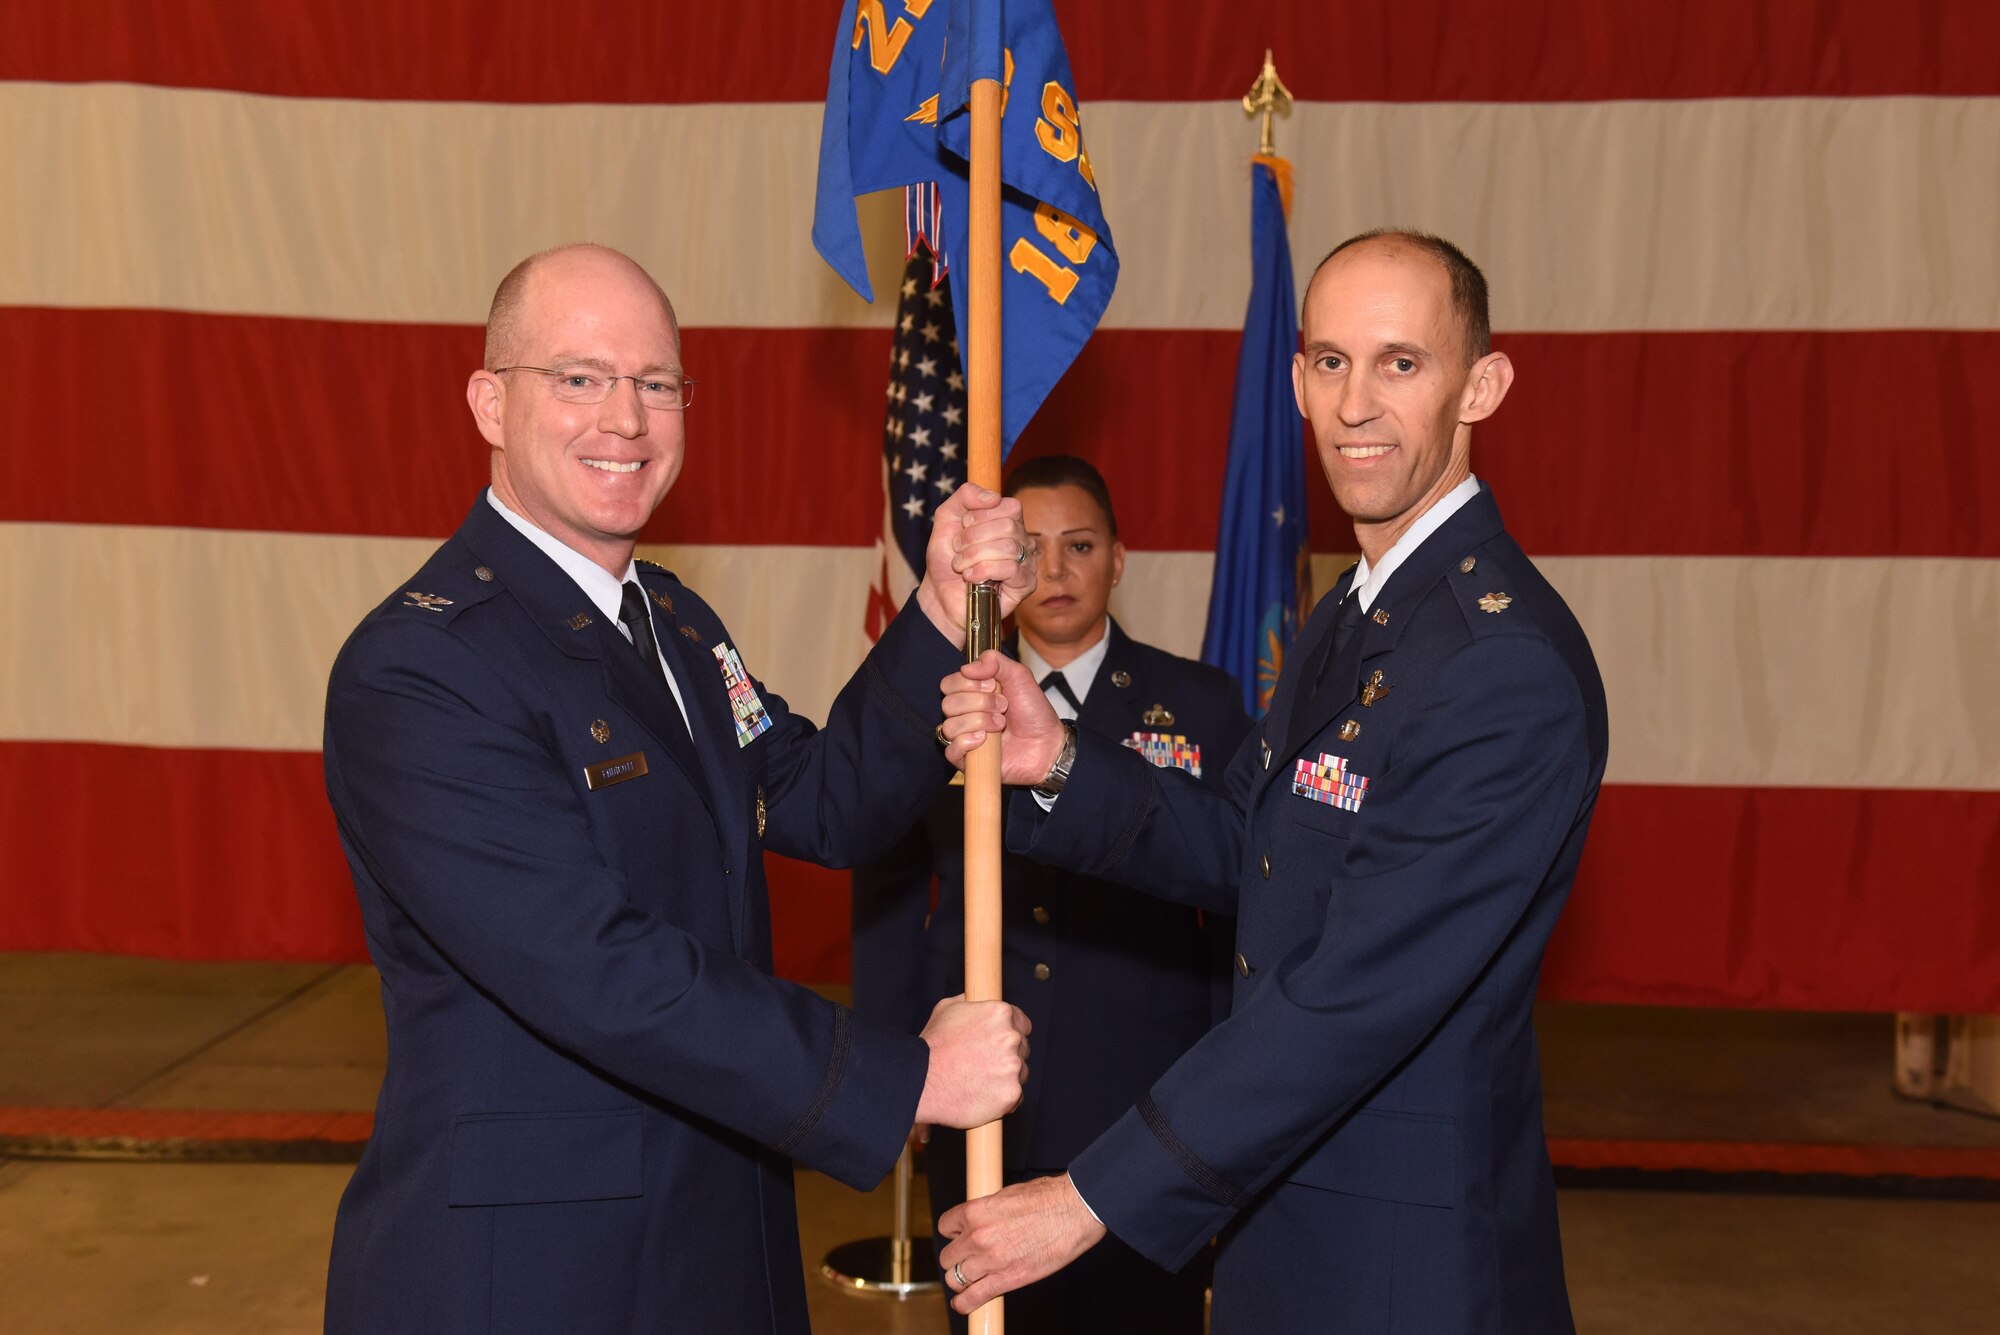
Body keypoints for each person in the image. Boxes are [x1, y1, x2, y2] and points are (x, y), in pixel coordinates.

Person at [320, 243, 1036, 1335]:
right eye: (578, 378)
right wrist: (901, 1081)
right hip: (531, 1275)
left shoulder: (675, 624)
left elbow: (820, 799)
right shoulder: (423, 670)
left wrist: (938, 615)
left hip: (719, 1238)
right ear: (488, 403)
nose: (626, 419)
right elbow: (594, 968)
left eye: (657, 383)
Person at [931, 231, 1609, 1334]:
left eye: (1401, 363)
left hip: (1402, 1263)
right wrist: (1053, 760)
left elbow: (1355, 988)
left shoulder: (1499, 664)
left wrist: (1087, 1197)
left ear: (1479, 385)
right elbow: (1246, 837)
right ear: (1294, 383)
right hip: (1281, 1216)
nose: (1354, 404)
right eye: (1329, 362)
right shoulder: (1356, 611)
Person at [851, 455, 1251, 1334]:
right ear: (999, 569)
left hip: (1144, 1087)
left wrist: (1225, 1084)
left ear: (1119, 558)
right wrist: (893, 1066)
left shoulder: (1203, 704)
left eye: (1081, 544)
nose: (1059, 570)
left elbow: (1237, 905)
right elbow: (884, 884)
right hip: (982, 1082)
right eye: (1030, 548)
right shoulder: (946, 699)